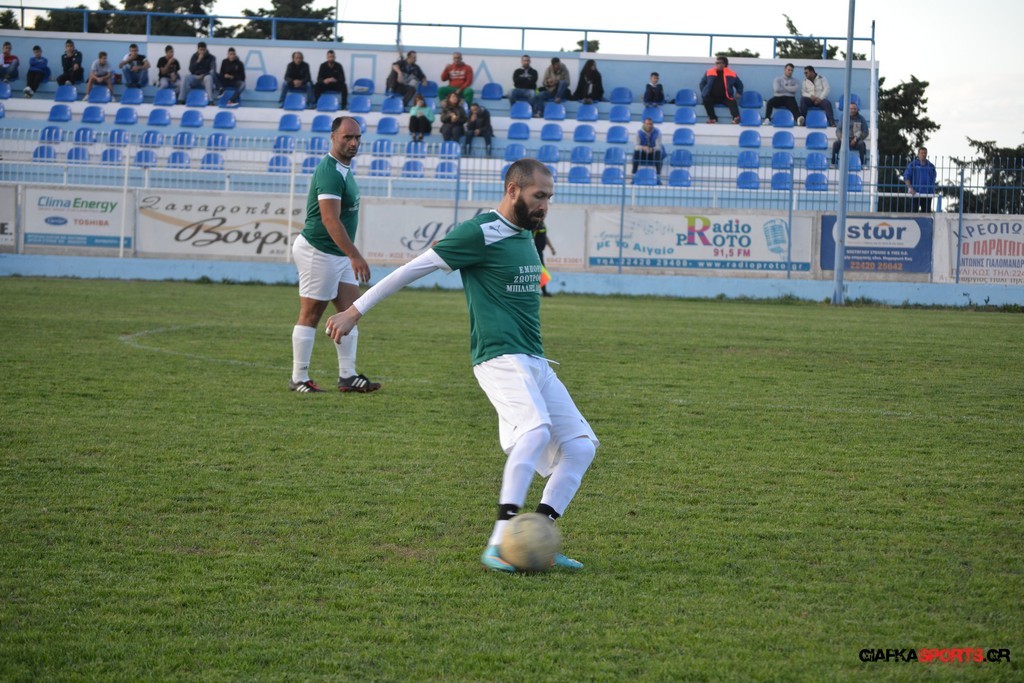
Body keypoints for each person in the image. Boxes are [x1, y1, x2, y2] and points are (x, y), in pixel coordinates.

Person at [324, 158, 598, 573]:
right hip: (499, 357)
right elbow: (410, 270)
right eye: (539, 196)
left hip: (534, 358)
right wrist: (354, 311)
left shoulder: (526, 232)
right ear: (513, 190)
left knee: (580, 447)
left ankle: (535, 535)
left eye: (549, 198)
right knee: (535, 430)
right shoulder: (478, 232)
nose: (545, 205)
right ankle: (501, 542)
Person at [289, 116, 380, 395]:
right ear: (333, 137)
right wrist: (354, 255)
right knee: (311, 313)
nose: (353, 143)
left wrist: (348, 254)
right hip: (319, 250)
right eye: (347, 137)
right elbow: (330, 220)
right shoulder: (329, 171)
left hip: (336, 253)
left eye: (357, 138)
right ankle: (299, 378)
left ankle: (347, 376)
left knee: (350, 311)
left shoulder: (343, 169)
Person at [699, 55, 743, 124]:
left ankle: (736, 118)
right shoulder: (709, 72)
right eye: (717, 63)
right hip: (712, 96)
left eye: (720, 63)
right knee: (706, 100)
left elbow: (739, 84)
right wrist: (704, 92)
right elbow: (702, 83)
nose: (718, 65)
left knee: (732, 102)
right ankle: (713, 118)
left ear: (725, 64)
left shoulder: (731, 73)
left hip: (726, 97)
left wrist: (739, 92)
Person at [831, 102, 868, 166]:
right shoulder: (843, 118)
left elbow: (865, 132)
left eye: (854, 109)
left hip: (856, 140)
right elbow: (838, 130)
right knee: (836, 143)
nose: (853, 110)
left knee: (862, 144)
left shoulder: (861, 119)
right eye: (851, 109)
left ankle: (863, 164)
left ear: (857, 109)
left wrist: (856, 139)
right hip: (844, 140)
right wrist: (842, 138)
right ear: (848, 109)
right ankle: (834, 163)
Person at [904, 146, 937, 213]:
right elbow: (907, 177)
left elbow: (933, 179)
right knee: (913, 214)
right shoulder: (912, 165)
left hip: (927, 194)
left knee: (926, 215)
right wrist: (910, 188)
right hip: (915, 193)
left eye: (925, 153)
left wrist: (932, 190)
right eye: (922, 153)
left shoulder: (931, 166)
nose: (923, 154)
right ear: (918, 154)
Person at [532, 221, 556, 298]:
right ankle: (541, 292)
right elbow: (530, 237)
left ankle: (544, 292)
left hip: (540, 252)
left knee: (541, 271)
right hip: (535, 252)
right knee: (538, 271)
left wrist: (551, 248)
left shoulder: (542, 224)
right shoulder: (534, 224)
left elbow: (545, 237)